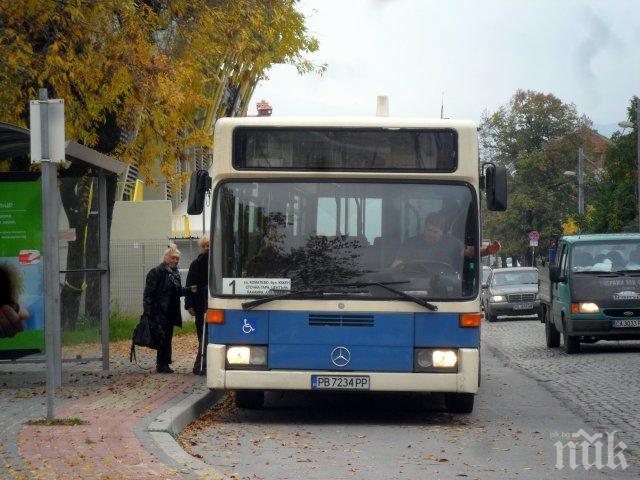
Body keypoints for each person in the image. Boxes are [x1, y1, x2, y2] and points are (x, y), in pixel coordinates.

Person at [143, 244, 195, 374]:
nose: (175, 261)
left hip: (170, 311)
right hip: (159, 311)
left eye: (177, 258)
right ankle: (162, 364)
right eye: (173, 258)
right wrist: (149, 312)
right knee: (162, 337)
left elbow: (176, 292)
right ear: (166, 258)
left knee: (167, 337)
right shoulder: (156, 272)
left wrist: (189, 290)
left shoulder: (175, 273)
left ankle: (164, 363)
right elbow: (148, 295)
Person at [391, 212, 500, 269]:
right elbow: (397, 264)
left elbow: (468, 252)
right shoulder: (410, 243)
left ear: (442, 232)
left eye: (435, 232)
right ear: (424, 228)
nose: (430, 234)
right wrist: (396, 270)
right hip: (413, 285)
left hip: (445, 288)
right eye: (428, 230)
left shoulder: (451, 242)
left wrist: (487, 250)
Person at [185, 235, 209, 375]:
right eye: (204, 245)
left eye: (209, 245)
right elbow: (190, 284)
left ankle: (203, 363)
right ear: (201, 247)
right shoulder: (196, 264)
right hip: (200, 302)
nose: (207, 248)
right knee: (202, 333)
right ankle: (201, 363)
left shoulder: (219, 262)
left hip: (212, 302)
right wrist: (189, 304)